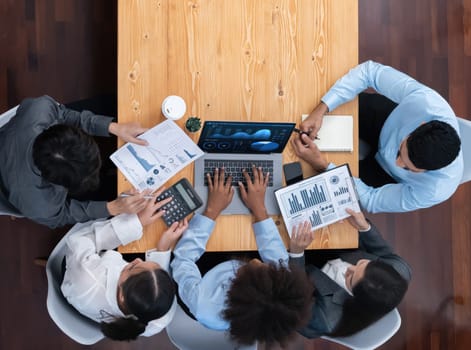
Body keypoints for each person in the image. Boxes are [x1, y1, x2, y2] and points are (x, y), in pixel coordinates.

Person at [170, 166, 313, 347]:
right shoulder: (281, 287)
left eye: (256, 267)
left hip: (202, 272)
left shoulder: (202, 303)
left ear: (237, 283)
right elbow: (275, 255)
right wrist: (259, 208)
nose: (258, 261)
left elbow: (183, 259)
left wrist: (212, 210)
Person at [299, 60, 463, 213]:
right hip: (385, 121)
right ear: (419, 126)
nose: (397, 163)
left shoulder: (435, 190)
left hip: (384, 174)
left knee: (317, 186)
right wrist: (322, 109)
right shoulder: (426, 102)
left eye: (408, 168)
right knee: (307, 103)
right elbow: (369, 72)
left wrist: (324, 166)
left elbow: (371, 200)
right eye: (400, 152)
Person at [0, 95, 152, 228]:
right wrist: (113, 208)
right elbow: (63, 215)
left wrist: (112, 127)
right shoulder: (41, 205)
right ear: (58, 184)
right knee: (107, 192)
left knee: (111, 105)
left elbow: (63, 114)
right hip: (10, 191)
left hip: (13, 140)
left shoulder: (40, 109)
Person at [61, 187, 188, 341]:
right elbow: (157, 291)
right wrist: (162, 251)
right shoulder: (159, 319)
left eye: (133, 267)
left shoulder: (87, 274)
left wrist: (137, 222)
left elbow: (80, 240)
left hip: (75, 271)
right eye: (159, 269)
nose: (137, 260)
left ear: (121, 295)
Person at [288, 209, 411, 338]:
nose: (349, 269)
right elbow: (386, 254)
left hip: (296, 281)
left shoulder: (327, 319)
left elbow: (293, 301)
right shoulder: (399, 270)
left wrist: (296, 254)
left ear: (354, 297)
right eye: (362, 264)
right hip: (330, 250)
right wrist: (364, 227)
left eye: (351, 278)